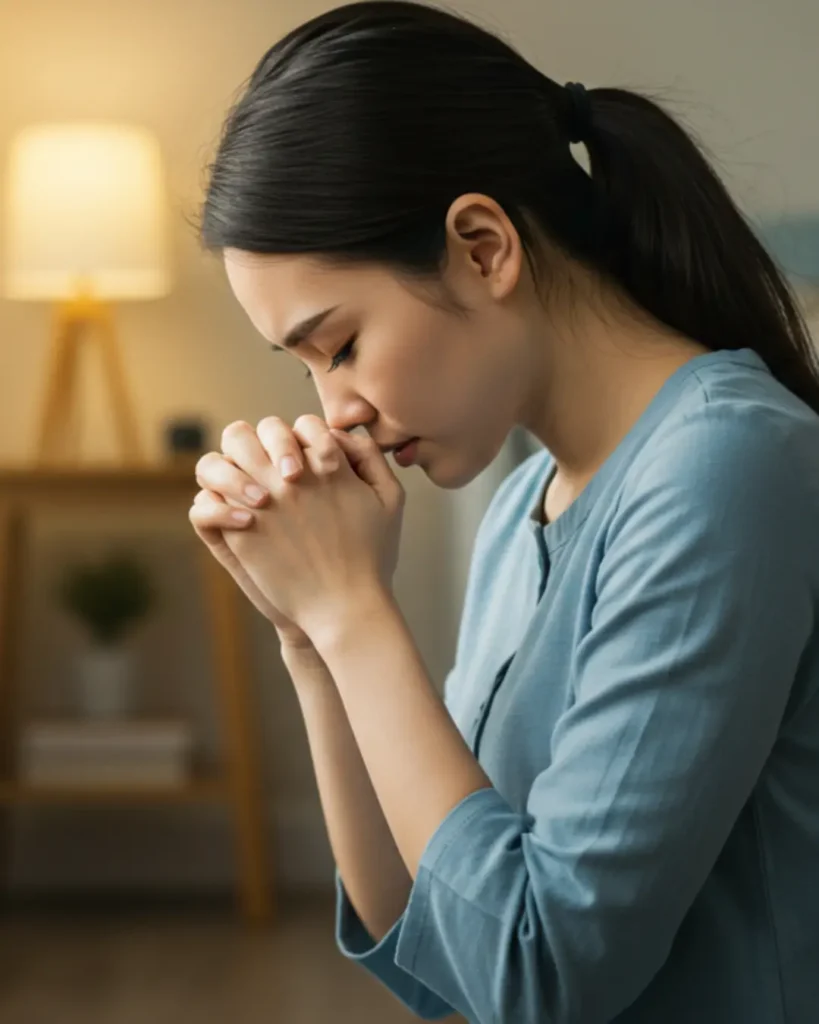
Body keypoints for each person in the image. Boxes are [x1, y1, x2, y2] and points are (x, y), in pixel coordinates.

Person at [189, 2, 819, 1021]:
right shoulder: (524, 501)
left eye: (339, 344)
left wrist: (357, 617)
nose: (332, 408)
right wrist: (309, 632)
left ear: (483, 247)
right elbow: (443, 954)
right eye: (303, 367)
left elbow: (540, 978)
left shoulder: (726, 467)